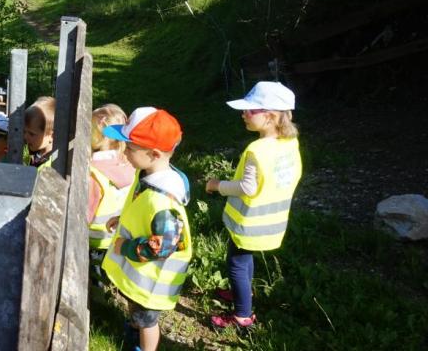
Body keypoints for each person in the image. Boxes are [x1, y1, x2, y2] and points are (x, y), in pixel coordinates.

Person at [205, 81, 302, 329]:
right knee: (244, 259)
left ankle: (242, 316)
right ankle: (243, 295)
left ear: (269, 117)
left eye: (250, 111)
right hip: (272, 221)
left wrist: (217, 185)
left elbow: (247, 187)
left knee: (236, 264)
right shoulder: (289, 143)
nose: (244, 115)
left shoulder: (256, 150)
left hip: (247, 221)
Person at [102, 107, 191, 351]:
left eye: (129, 148)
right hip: (140, 275)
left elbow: (163, 246)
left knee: (147, 321)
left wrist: (126, 246)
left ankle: (144, 347)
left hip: (153, 279)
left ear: (152, 154)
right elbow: (143, 211)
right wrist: (123, 218)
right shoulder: (147, 176)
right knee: (137, 312)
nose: (124, 152)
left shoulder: (162, 200)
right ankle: (133, 330)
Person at [87, 105, 136, 286]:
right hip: (117, 236)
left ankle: (97, 305)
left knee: (93, 278)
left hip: (93, 239)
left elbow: (86, 211)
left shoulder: (94, 171)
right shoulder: (129, 163)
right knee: (108, 271)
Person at [24, 97, 57, 170]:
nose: (25, 137)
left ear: (52, 136)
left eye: (31, 134)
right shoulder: (30, 151)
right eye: (24, 131)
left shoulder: (52, 166)